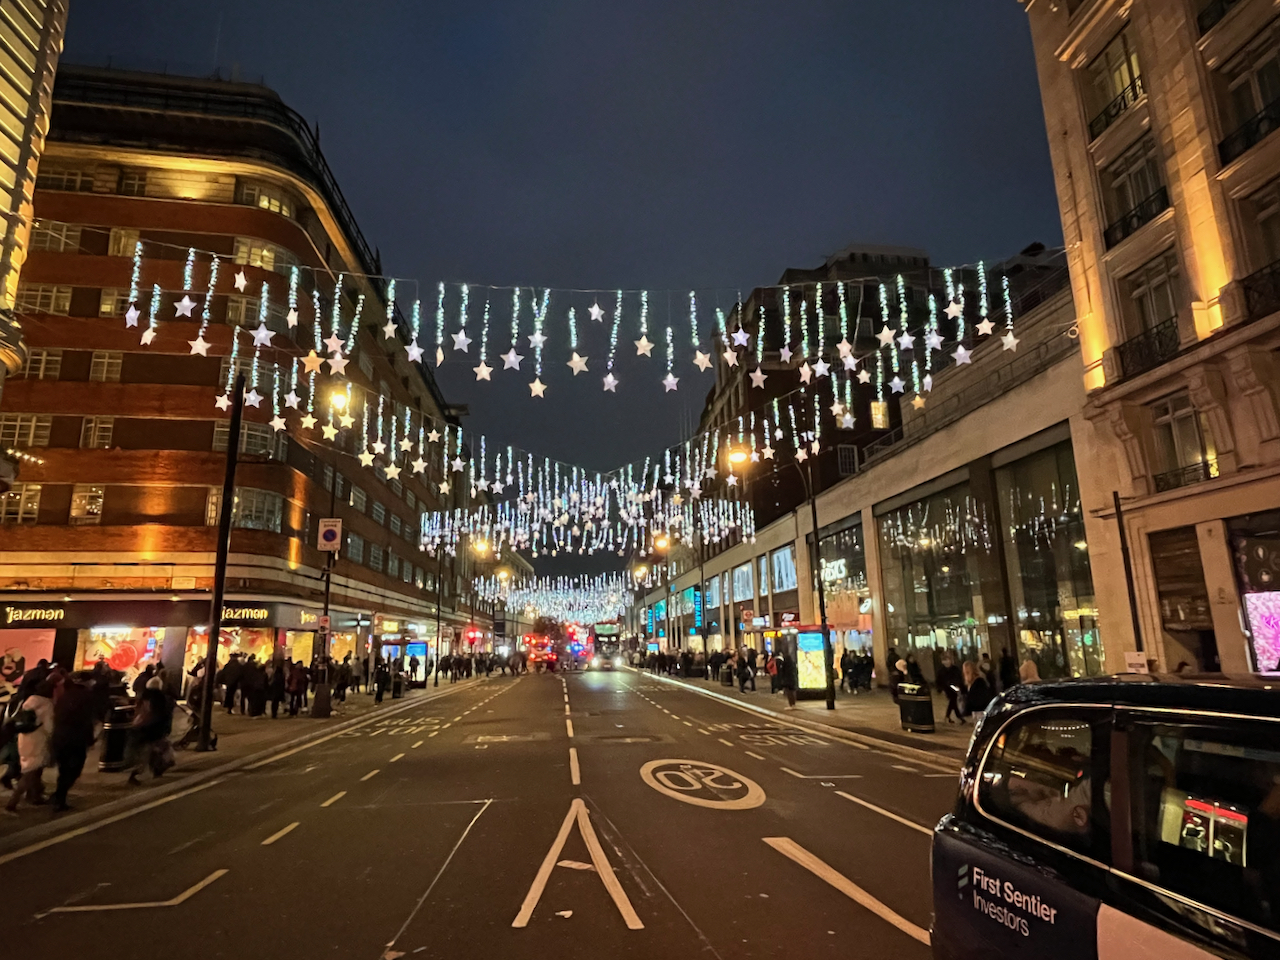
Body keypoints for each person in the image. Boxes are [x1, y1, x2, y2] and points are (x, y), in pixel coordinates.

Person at [4, 680, 54, 814]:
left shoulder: (29, 701)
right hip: (38, 740)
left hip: (24, 738)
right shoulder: (47, 704)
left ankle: (35, 795)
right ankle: (12, 803)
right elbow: (49, 727)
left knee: (31, 768)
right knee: (30, 772)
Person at [50, 676, 96, 812]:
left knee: (63, 769)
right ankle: (60, 796)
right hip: (76, 739)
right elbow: (87, 721)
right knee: (74, 769)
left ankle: (59, 796)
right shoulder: (87, 698)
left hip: (60, 738)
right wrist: (90, 739)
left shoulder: (64, 698)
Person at [126, 677, 172, 786]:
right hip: (153, 728)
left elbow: (138, 711)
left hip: (141, 726)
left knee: (148, 751)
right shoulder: (160, 698)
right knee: (156, 751)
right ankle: (142, 773)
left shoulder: (143, 697)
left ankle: (153, 770)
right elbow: (162, 715)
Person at [936, 653, 966, 725]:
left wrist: (960, 686)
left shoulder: (955, 669)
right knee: (953, 700)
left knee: (953, 702)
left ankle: (949, 717)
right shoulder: (941, 670)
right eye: (945, 660)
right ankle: (957, 717)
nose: (947, 662)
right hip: (947, 688)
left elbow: (959, 677)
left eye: (948, 660)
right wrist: (940, 689)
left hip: (955, 687)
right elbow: (939, 680)